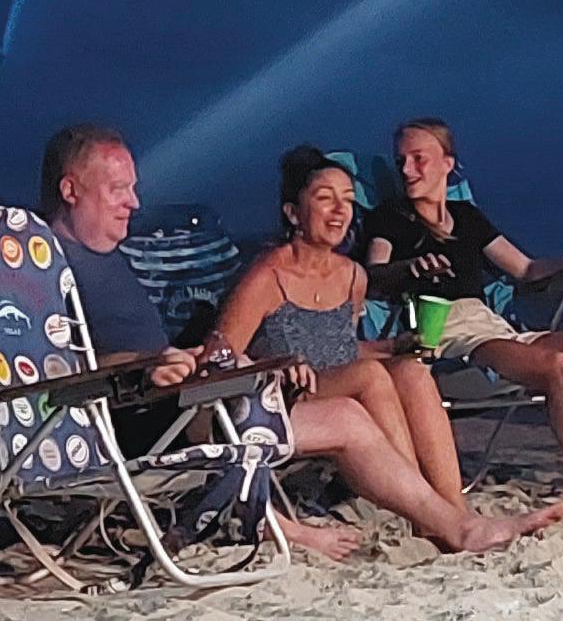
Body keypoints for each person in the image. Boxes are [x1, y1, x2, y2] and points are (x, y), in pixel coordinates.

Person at [35, 124, 563, 558]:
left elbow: (215, 351)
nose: (135, 202)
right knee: (365, 383)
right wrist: (148, 364)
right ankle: (445, 525)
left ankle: (454, 521)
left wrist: (215, 360)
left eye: (132, 187)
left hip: (194, 397)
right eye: (118, 190)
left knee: (365, 405)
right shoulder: (45, 264)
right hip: (144, 422)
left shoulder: (107, 258)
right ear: (70, 189)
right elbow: (51, 369)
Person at [360, 117, 563, 517]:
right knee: (555, 364)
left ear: (447, 164)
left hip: (491, 323)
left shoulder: (467, 216)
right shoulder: (389, 218)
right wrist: (410, 267)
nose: (406, 170)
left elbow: (524, 269)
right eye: (401, 161)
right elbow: (371, 276)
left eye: (418, 159)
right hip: (444, 331)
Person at [204, 147, 481, 517]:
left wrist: (393, 347)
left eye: (347, 200)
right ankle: (422, 511)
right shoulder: (266, 278)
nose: (340, 211)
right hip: (282, 398)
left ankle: (454, 506)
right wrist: (276, 367)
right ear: (293, 213)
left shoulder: (352, 276)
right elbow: (219, 362)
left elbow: (341, 351)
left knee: (410, 370)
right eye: (325, 199)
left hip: (335, 387)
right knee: (369, 377)